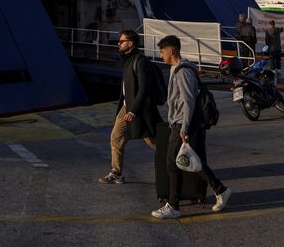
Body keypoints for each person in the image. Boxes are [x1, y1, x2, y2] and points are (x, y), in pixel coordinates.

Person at [151, 35, 232, 219]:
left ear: (171, 51)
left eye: (162, 52)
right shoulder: (175, 69)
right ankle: (220, 190)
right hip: (179, 122)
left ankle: (173, 206)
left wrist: (184, 128)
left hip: (183, 123)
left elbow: (188, 101)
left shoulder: (182, 72)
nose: (161, 55)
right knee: (189, 161)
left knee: (173, 163)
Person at [98, 29, 162, 184]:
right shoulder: (127, 60)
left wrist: (134, 110)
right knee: (116, 138)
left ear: (130, 43)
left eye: (121, 41)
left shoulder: (140, 61)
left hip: (139, 109)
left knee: (152, 141)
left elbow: (144, 88)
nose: (118, 44)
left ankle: (180, 160)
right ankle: (117, 172)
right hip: (126, 108)